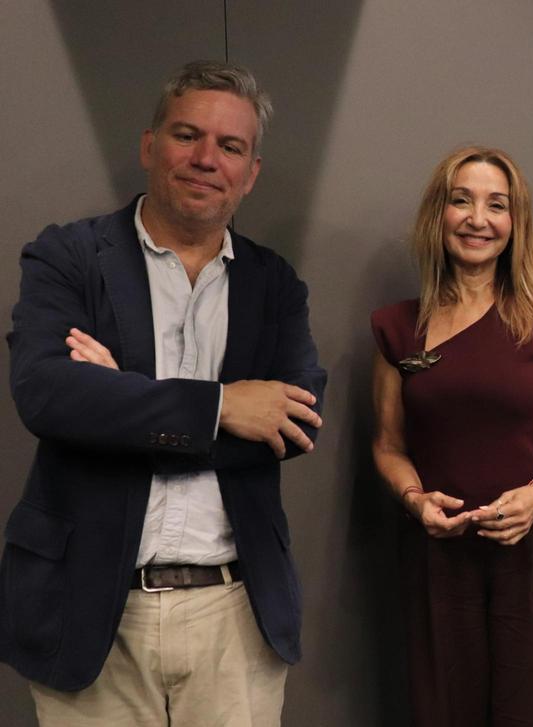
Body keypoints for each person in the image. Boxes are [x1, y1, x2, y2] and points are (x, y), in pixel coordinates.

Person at [1, 61, 326, 725]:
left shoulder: (274, 284)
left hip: (234, 616)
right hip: (90, 610)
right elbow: (48, 395)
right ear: (150, 145)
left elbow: (294, 424)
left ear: (250, 172)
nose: (206, 158)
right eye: (186, 135)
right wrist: (223, 407)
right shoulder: (68, 256)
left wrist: (120, 399)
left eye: (230, 146)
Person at [370, 146, 533, 726]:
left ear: (516, 222)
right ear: (437, 214)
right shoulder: (398, 327)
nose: (477, 219)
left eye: (497, 205)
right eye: (461, 201)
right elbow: (388, 445)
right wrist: (415, 501)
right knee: (446, 706)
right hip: (438, 551)